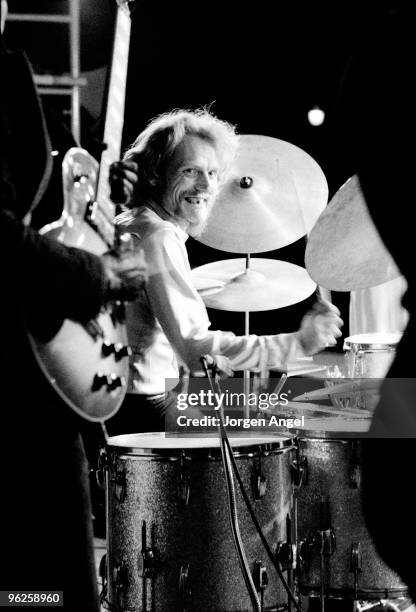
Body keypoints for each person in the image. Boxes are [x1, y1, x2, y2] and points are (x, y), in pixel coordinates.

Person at [0, 3, 146, 609]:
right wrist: (95, 273)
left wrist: (106, 183)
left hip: (34, 370)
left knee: (33, 591)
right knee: (40, 588)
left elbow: (46, 187)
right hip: (16, 393)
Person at [107, 108, 343, 434]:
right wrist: (298, 342)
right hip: (134, 411)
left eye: (214, 173)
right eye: (190, 171)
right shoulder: (158, 237)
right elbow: (196, 351)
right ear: (154, 174)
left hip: (118, 399)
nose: (206, 186)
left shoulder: (131, 224)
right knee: (268, 430)